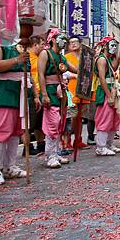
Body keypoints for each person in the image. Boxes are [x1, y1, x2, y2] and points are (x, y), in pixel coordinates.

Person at [0, 40, 40, 184]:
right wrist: (17, 59)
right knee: (0, 132)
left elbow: (29, 75)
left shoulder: (21, 45)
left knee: (16, 132)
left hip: (20, 92)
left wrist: (35, 95)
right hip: (4, 92)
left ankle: (9, 165)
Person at [38, 29, 78, 168]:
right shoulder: (45, 53)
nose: (64, 41)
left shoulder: (62, 57)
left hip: (61, 91)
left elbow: (75, 69)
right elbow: (41, 74)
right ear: (53, 39)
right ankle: (50, 155)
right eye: (61, 38)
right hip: (50, 90)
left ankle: (55, 153)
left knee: (60, 123)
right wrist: (44, 94)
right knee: (52, 123)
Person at [93, 36, 120, 156]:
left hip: (112, 89)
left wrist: (119, 54)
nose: (114, 48)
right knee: (105, 118)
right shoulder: (102, 60)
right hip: (105, 91)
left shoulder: (108, 59)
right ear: (105, 46)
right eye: (112, 45)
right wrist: (109, 95)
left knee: (113, 119)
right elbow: (102, 78)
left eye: (115, 46)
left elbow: (114, 68)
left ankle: (109, 144)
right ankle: (101, 146)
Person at [63, 37, 89, 150]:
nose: (73, 44)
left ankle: (78, 140)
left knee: (80, 116)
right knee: (71, 115)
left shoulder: (85, 57)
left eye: (75, 42)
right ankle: (67, 141)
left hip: (83, 88)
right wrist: (76, 75)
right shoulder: (66, 57)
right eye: (71, 43)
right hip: (71, 89)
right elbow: (65, 72)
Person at [27, 36, 46, 154]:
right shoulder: (27, 57)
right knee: (30, 123)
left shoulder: (41, 57)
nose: (43, 47)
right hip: (31, 92)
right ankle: (27, 146)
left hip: (40, 91)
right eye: (42, 44)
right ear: (35, 45)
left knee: (39, 122)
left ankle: (41, 144)